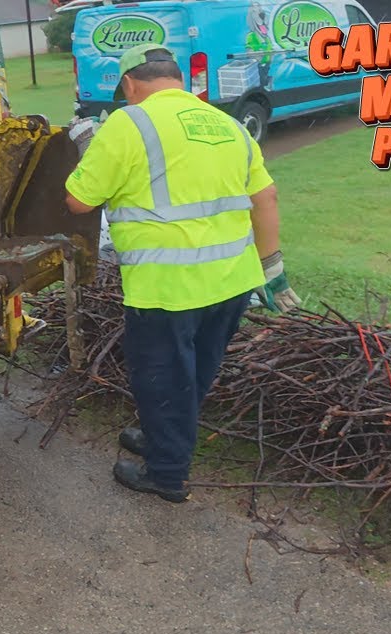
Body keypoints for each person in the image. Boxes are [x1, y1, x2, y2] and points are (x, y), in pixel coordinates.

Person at [64, 44, 301, 503]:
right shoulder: (229, 124)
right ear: (176, 78)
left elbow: (79, 201)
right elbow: (265, 198)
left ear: (130, 83)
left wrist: (88, 150)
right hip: (233, 284)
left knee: (163, 379)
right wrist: (272, 269)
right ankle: (162, 438)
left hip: (167, 288)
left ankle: (166, 474)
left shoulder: (127, 124)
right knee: (194, 372)